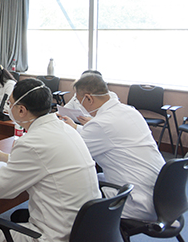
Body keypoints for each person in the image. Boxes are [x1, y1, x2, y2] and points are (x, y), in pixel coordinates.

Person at [0, 78, 100, 242]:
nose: (8, 108)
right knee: (18, 215)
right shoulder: (65, 129)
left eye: (10, 104)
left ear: (21, 110)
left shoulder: (30, 142)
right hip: (87, 227)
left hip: (58, 235)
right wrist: (4, 157)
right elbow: (45, 162)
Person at [60, 73, 165, 221]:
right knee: (96, 177)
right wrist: (76, 128)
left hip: (135, 202)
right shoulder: (130, 111)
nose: (80, 105)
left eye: (79, 100)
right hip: (162, 197)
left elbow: (73, 150)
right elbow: (105, 136)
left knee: (75, 184)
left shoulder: (102, 124)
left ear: (89, 98)